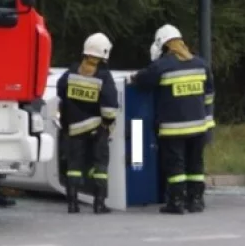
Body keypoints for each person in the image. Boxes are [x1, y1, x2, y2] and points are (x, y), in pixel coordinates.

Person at [129, 24, 214, 214]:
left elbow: (143, 80)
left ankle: (176, 202)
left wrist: (134, 78)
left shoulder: (162, 65)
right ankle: (196, 201)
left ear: (164, 45)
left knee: (175, 164)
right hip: (199, 126)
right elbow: (209, 94)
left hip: (173, 127)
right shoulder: (201, 64)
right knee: (195, 164)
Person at [56, 33, 120, 214]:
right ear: (104, 54)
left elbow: (61, 91)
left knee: (74, 167)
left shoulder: (71, 72)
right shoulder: (103, 76)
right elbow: (109, 107)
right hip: (97, 129)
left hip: (74, 129)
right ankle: (99, 204)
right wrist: (107, 123)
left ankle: (72, 204)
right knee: (100, 166)